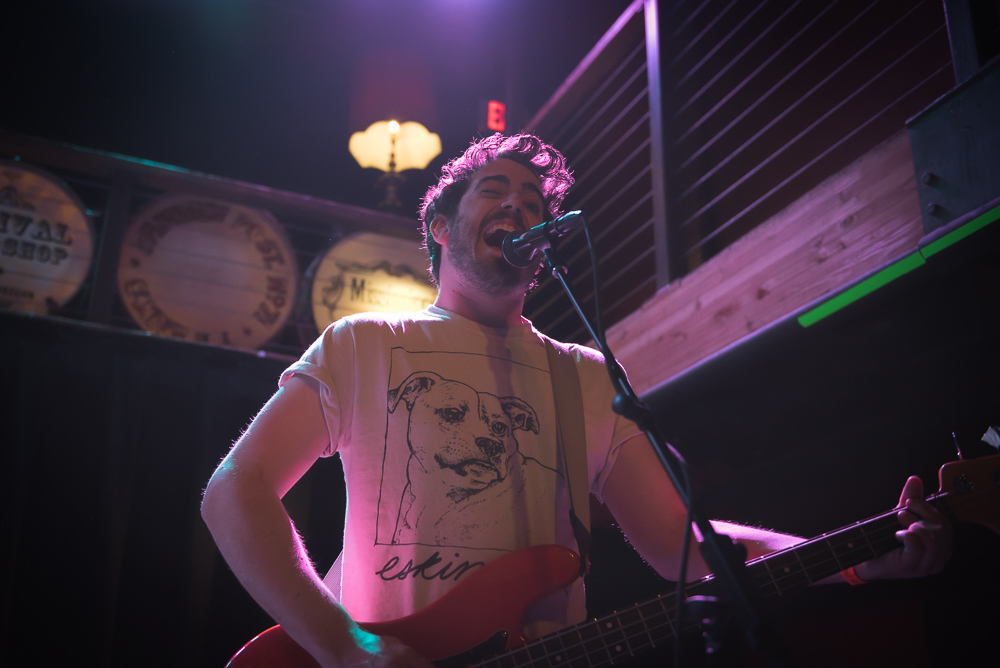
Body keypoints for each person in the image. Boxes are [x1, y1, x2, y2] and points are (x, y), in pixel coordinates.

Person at [201, 133, 951, 668]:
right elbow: (234, 490)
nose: (518, 205)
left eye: (533, 201)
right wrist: (346, 647)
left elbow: (682, 542)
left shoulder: (584, 376)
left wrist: (854, 561)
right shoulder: (366, 343)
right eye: (494, 190)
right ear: (440, 227)